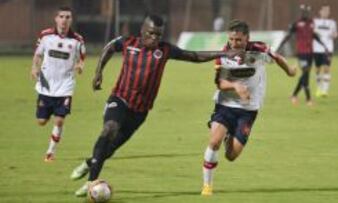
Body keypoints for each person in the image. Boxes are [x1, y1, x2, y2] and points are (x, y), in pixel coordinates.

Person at [70, 14, 242, 197]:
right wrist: (98, 73)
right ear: (142, 31)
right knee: (109, 130)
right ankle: (92, 182)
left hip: (140, 111)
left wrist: (223, 53)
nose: (155, 38)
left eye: (159, 35)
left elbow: (193, 56)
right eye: (151, 33)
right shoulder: (128, 43)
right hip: (119, 99)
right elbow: (109, 47)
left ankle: (89, 164)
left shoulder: (165, 50)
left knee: (111, 148)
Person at [200, 20, 296, 196]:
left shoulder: (259, 50)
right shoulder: (222, 54)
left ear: (247, 39)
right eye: (231, 39)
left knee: (231, 156)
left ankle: (230, 135)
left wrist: (289, 70)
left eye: (238, 40)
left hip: (248, 110)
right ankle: (207, 186)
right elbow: (219, 83)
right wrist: (235, 86)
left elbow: (277, 58)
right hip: (225, 105)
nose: (234, 43)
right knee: (214, 142)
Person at [30, 6, 85, 162]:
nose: (64, 20)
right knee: (41, 122)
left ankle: (50, 153)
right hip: (46, 85)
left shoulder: (77, 40)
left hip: (65, 86)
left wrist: (80, 66)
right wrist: (34, 67)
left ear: (71, 20)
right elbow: (38, 54)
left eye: (68, 17)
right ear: (56, 18)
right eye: (61, 16)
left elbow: (82, 58)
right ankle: (46, 119)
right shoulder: (46, 36)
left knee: (60, 119)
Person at [277, 4, 328, 106]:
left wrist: (323, 45)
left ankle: (294, 95)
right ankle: (308, 99)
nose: (305, 13)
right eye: (303, 12)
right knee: (305, 73)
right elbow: (288, 36)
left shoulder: (312, 23)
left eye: (307, 12)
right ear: (301, 12)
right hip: (301, 53)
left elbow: (314, 36)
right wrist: (279, 47)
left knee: (305, 74)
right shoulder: (296, 24)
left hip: (310, 53)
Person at [313, 4, 338, 97]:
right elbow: (312, 32)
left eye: (328, 11)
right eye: (324, 10)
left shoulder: (332, 22)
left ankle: (325, 90)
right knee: (317, 69)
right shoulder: (315, 21)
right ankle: (319, 88)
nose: (326, 12)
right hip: (316, 48)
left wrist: (334, 35)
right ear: (320, 11)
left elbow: (335, 33)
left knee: (326, 68)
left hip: (328, 48)